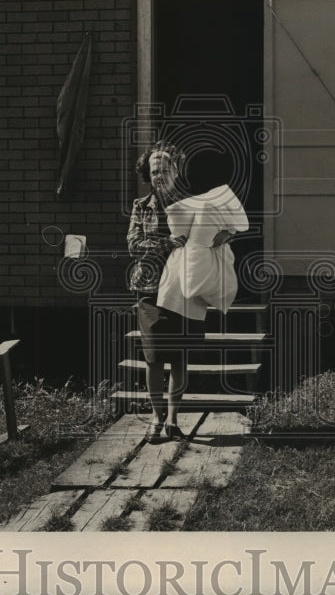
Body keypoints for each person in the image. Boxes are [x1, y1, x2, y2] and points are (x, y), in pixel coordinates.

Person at [126, 143, 194, 444]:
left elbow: (201, 242)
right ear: (147, 175)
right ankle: (156, 417)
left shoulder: (192, 205)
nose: (159, 175)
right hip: (150, 289)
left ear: (176, 171)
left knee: (179, 358)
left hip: (183, 288)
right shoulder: (141, 207)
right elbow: (133, 245)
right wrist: (168, 243)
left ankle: (174, 421)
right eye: (154, 171)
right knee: (153, 358)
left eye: (164, 169)